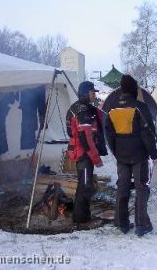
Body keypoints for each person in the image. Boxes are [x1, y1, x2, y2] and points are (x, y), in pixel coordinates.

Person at [105, 75, 157, 236]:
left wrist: (116, 152)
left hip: (121, 155)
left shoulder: (112, 108)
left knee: (122, 187)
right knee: (141, 187)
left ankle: (121, 222)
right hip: (139, 155)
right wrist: (154, 154)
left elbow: (109, 134)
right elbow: (148, 133)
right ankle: (141, 225)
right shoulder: (139, 107)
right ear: (134, 89)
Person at [66, 81, 107, 226]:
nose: (94, 94)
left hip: (83, 153)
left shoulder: (78, 107)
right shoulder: (83, 110)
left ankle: (83, 216)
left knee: (85, 185)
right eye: (92, 91)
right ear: (85, 92)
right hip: (84, 154)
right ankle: (81, 219)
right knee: (84, 185)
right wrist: (95, 158)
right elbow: (85, 138)